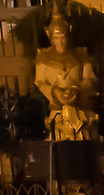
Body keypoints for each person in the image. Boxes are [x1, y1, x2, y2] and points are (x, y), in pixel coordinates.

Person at [32, 8, 100, 141]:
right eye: (56, 38)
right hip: (56, 107)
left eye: (63, 37)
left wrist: (77, 89)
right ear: (51, 38)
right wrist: (55, 92)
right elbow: (40, 82)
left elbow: (89, 78)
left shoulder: (81, 56)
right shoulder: (43, 58)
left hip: (79, 106)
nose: (60, 42)